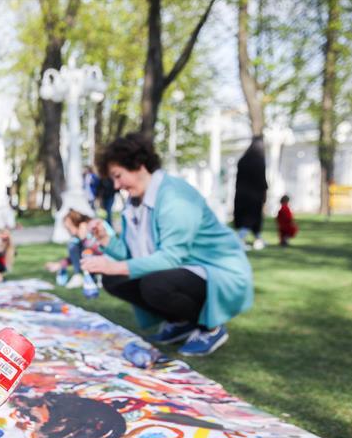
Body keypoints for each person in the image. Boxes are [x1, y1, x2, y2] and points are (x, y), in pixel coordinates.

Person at [82, 133, 253, 357]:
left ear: (138, 165)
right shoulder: (135, 203)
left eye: (118, 176)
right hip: (184, 270)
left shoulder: (174, 197)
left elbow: (171, 258)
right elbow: (132, 254)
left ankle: (211, 328)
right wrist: (106, 240)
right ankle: (181, 322)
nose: (116, 185)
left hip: (220, 272)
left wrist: (112, 265)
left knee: (154, 284)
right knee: (114, 279)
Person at [45, 205, 110, 289]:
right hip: (97, 258)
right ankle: (84, 276)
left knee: (74, 245)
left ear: (77, 223)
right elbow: (76, 256)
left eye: (69, 227)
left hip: (106, 259)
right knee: (76, 246)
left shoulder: (88, 228)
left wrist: (83, 238)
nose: (69, 231)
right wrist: (60, 264)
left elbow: (98, 250)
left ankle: (80, 276)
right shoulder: (81, 239)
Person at [233, 136, 268, 250]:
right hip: (254, 196)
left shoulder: (243, 160)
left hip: (241, 195)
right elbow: (262, 180)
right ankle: (238, 240)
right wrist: (264, 194)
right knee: (250, 219)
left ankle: (258, 238)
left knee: (249, 219)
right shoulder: (259, 161)